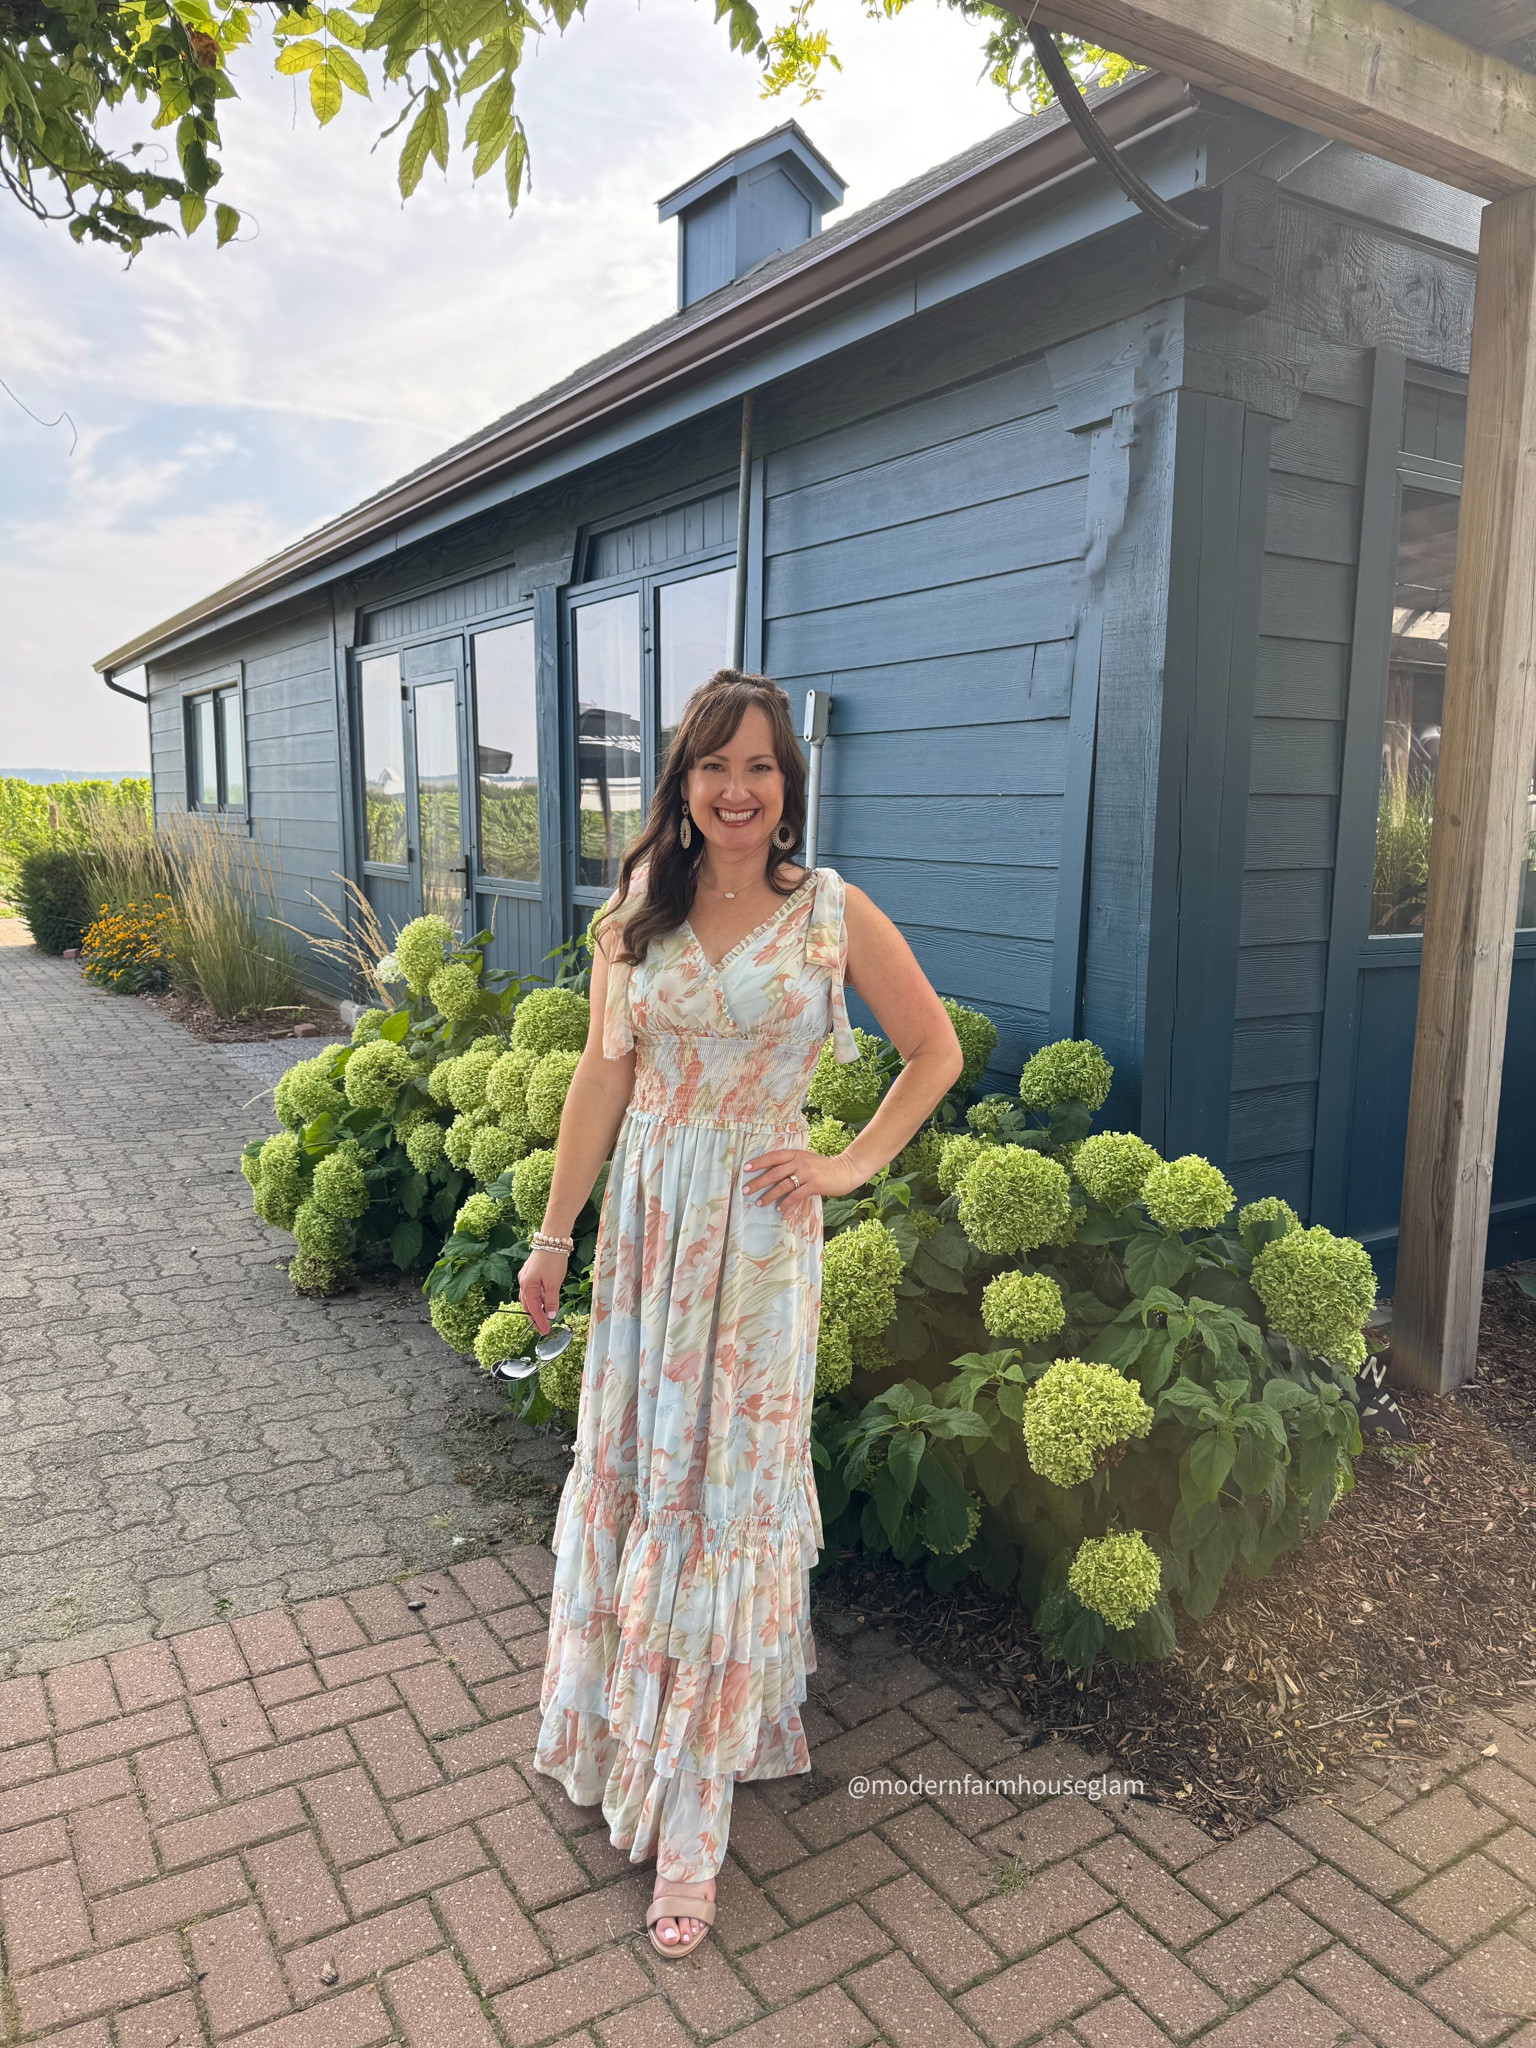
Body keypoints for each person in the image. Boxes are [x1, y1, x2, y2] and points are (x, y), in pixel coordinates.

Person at [519, 668, 963, 1957]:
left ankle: (693, 1819)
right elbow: (601, 1084)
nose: (736, 789)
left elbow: (933, 1049)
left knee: (722, 1495)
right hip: (650, 1237)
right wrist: (554, 1236)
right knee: (645, 1476)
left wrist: (850, 1163)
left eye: (761, 766)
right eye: (715, 764)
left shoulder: (830, 912)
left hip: (761, 1243)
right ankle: (625, 1732)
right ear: (684, 779)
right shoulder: (635, 915)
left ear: (788, 785)